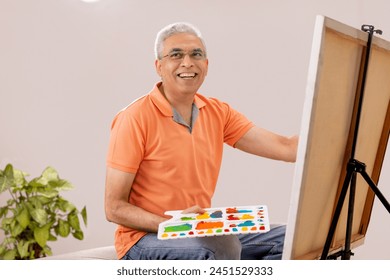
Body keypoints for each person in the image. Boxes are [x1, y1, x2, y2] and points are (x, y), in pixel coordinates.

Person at [105, 22, 298, 260]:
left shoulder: (218, 112)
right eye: (176, 55)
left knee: (292, 240)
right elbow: (114, 207)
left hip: (195, 230)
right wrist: (174, 224)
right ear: (159, 66)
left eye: (196, 54)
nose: (187, 62)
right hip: (144, 238)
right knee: (217, 248)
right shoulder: (134, 118)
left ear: (206, 65)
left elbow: (287, 148)